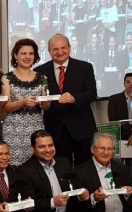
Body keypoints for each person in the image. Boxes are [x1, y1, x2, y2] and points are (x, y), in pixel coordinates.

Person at [34, 34, 98, 165]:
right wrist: (43, 104)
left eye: (63, 48)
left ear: (69, 48)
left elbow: (91, 93)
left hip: (82, 127)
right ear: (49, 51)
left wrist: (74, 98)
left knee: (85, 168)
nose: (60, 52)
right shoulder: (40, 71)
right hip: (55, 129)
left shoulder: (85, 67)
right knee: (61, 168)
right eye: (55, 49)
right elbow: (39, 98)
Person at [1, 39, 51, 166]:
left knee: (37, 164)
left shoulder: (43, 78)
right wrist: (22, 102)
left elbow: (46, 107)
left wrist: (44, 103)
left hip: (36, 127)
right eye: (23, 53)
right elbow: (6, 106)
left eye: (31, 53)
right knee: (13, 165)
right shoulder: (6, 78)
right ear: (15, 55)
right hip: (13, 130)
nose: (27, 57)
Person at [108, 72, 132, 197]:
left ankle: (130, 200)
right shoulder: (114, 99)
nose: (131, 84)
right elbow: (113, 119)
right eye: (128, 82)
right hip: (119, 139)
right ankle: (118, 200)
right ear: (124, 84)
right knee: (117, 173)